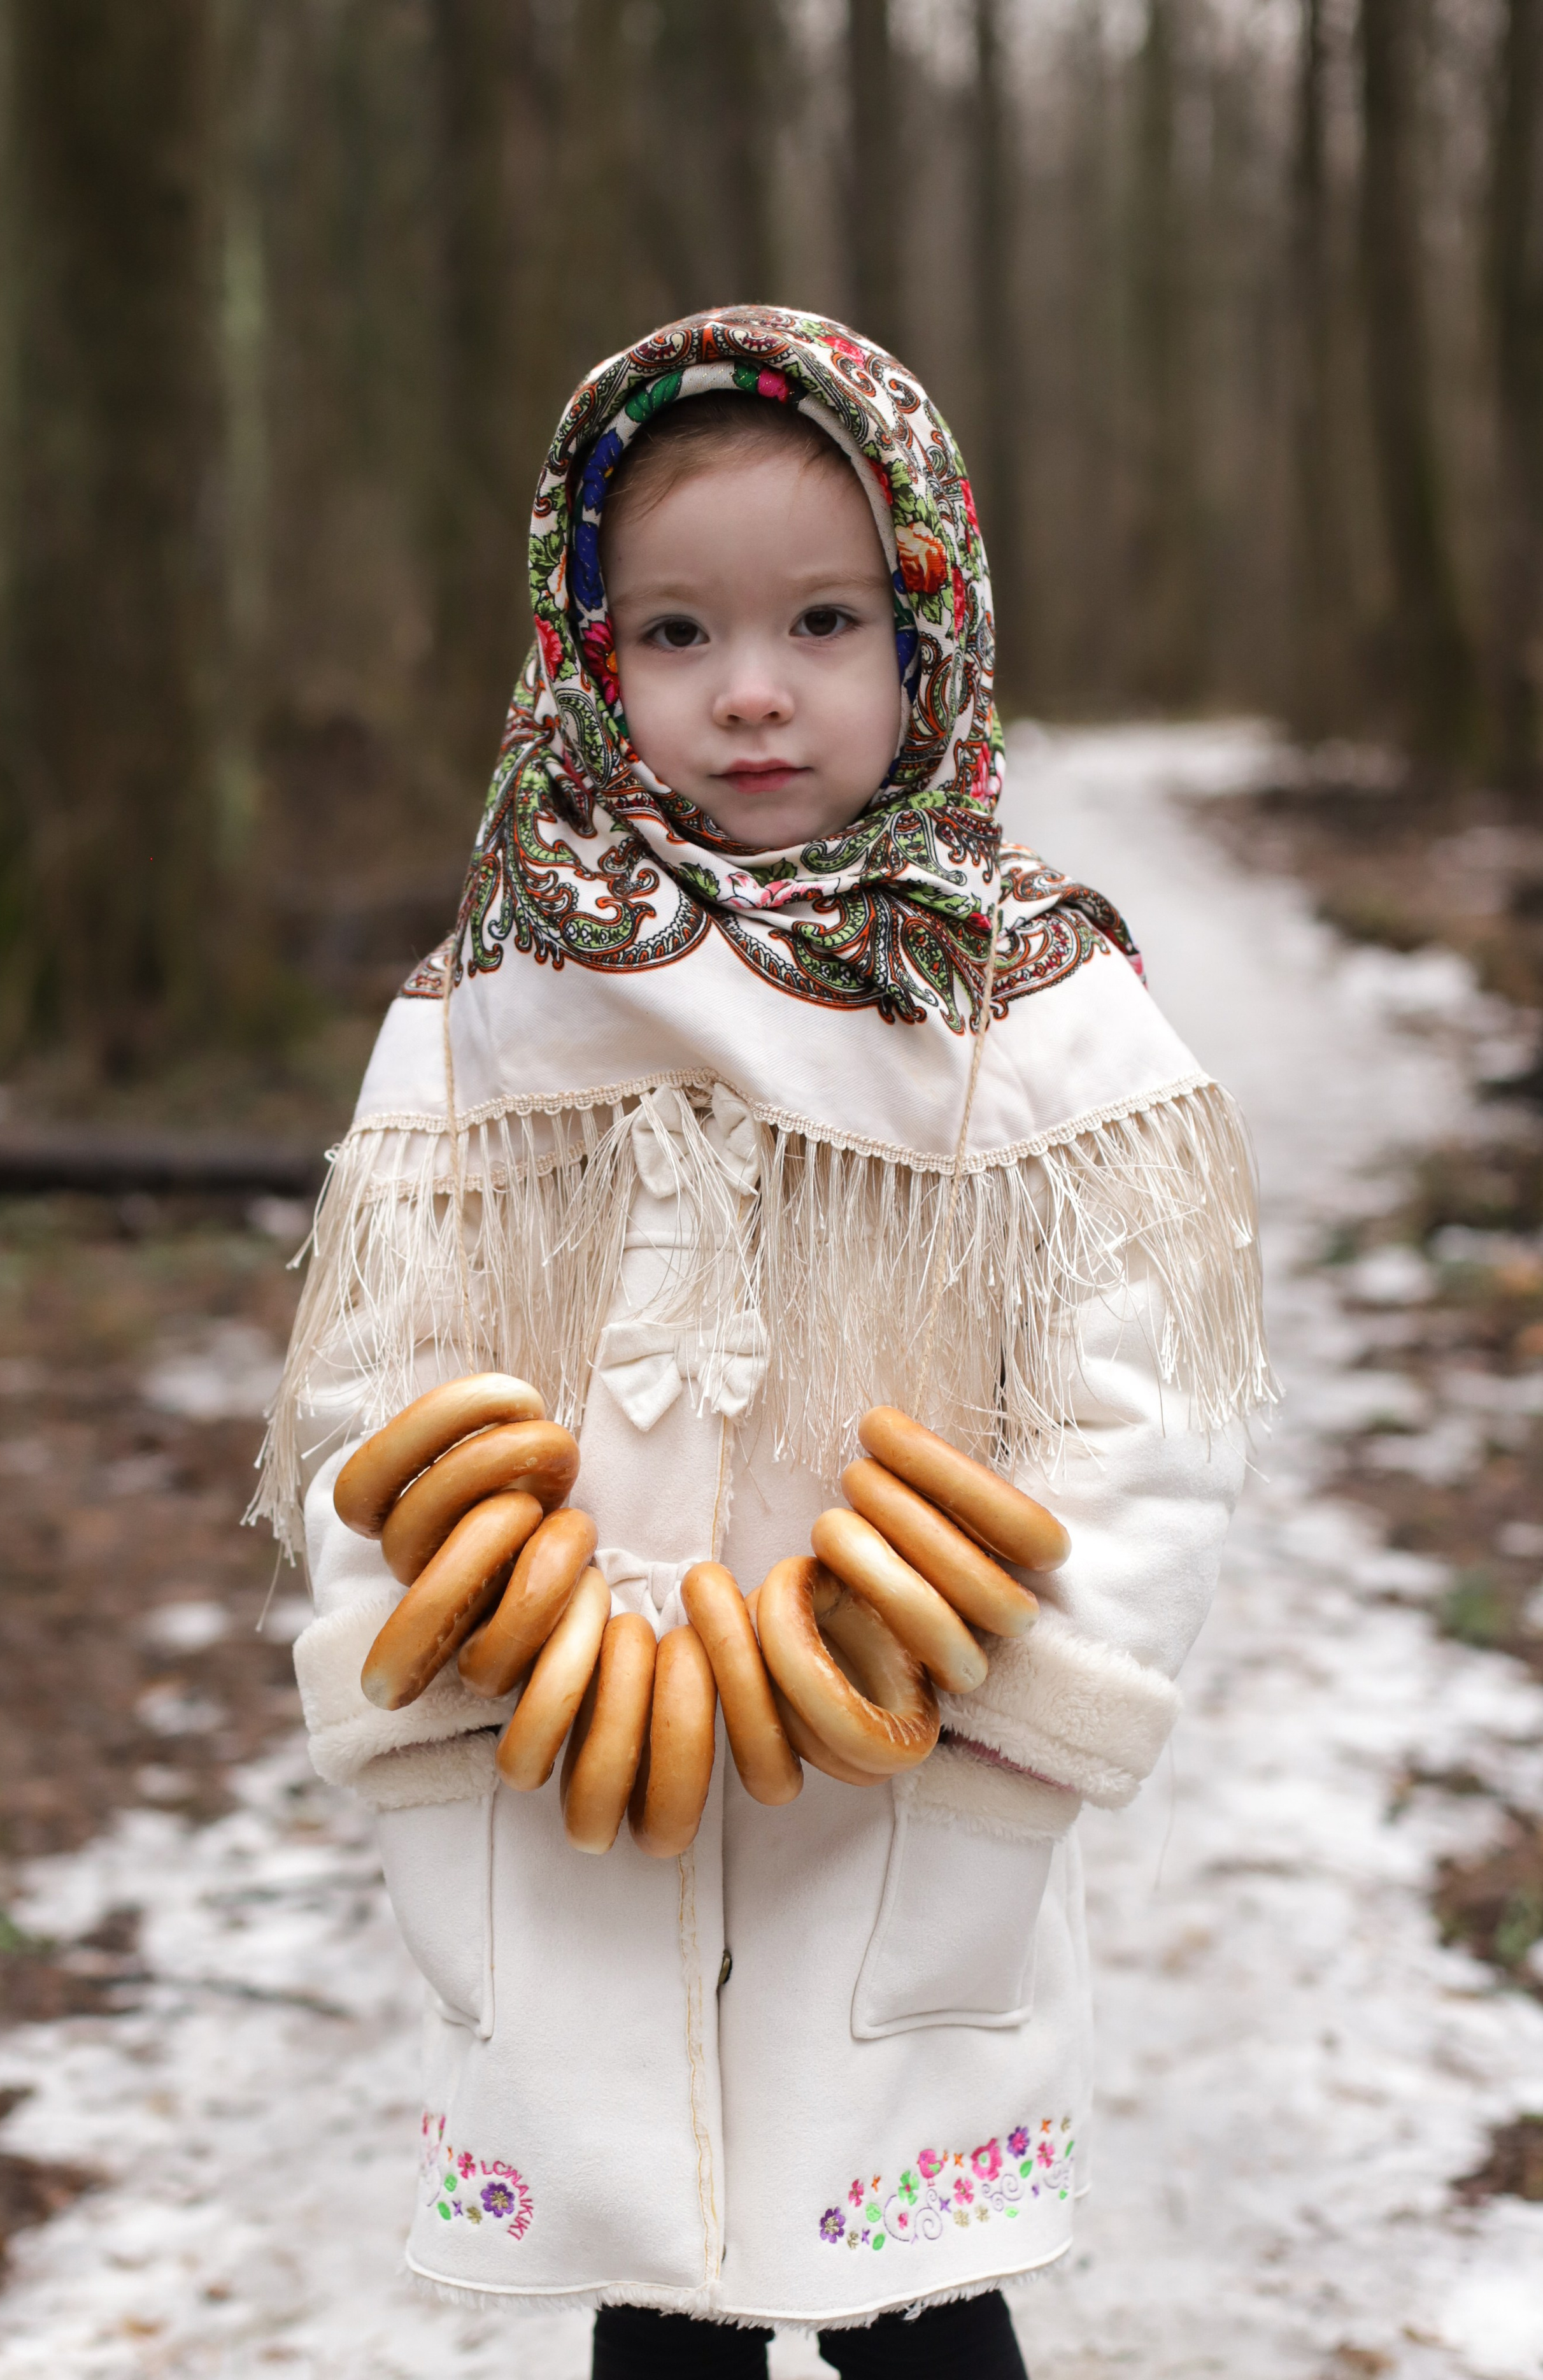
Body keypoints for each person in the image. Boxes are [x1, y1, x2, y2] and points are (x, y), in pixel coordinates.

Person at [255, 306, 1272, 2377]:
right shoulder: (492, 1009)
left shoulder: (1024, 1014)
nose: (749, 690)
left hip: (905, 1754)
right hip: (579, 1760)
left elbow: (1149, 1398)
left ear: (930, 634)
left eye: (823, 620)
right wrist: (433, 1649)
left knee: (919, 2303)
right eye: (674, 632)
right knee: (660, 2307)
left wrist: (1024, 1688)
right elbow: (377, 1371)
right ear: (584, 653)